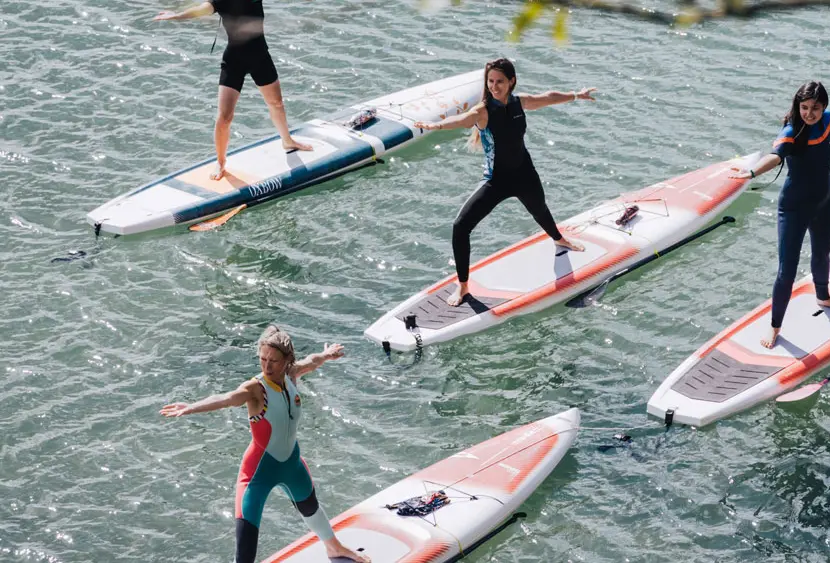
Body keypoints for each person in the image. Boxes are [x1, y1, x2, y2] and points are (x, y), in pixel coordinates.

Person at [161, 326, 369, 563]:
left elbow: (312, 361)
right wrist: (191, 407)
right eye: (262, 359)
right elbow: (226, 398)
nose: (267, 366)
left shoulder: (291, 375)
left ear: (287, 361)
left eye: (273, 361)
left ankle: (334, 548)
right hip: (258, 474)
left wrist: (327, 354)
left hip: (292, 465)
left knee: (311, 508)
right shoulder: (255, 389)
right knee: (246, 545)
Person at [414, 58, 597, 306]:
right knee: (461, 226)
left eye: (500, 81)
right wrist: (436, 125)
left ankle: (559, 239)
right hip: (496, 181)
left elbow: (548, 97)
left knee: (540, 209)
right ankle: (464, 287)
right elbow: (462, 120)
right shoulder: (483, 110)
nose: (494, 86)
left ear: (511, 81)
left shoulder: (519, 102)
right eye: (490, 81)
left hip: (524, 174)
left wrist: (576, 95)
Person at [731, 81, 830, 349]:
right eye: (804, 107)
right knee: (786, 272)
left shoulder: (828, 121)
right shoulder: (792, 131)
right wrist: (753, 171)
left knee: (822, 253)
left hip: (824, 202)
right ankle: (775, 327)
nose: (809, 113)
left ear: (823, 106)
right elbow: (775, 156)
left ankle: (823, 297)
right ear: (797, 106)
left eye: (815, 108)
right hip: (793, 208)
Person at [154, 1, 313, 181]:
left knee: (276, 103)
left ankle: (287, 141)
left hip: (260, 57)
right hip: (234, 61)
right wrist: (177, 16)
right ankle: (220, 161)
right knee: (224, 117)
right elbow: (200, 10)